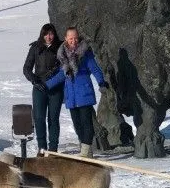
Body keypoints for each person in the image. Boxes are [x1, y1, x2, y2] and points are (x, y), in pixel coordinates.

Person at [45, 27, 108, 158]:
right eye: (71, 38)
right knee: (77, 124)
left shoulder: (85, 54)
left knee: (86, 123)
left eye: (75, 38)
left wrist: (101, 82)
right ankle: (85, 148)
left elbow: (95, 69)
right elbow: (62, 75)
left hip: (84, 91)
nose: (73, 40)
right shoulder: (63, 55)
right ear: (66, 38)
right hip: (71, 95)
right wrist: (46, 86)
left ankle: (86, 150)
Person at [23, 23, 64, 152]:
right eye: (46, 34)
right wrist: (34, 80)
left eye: (51, 34)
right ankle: (42, 148)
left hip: (55, 88)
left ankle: (53, 150)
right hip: (39, 88)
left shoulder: (61, 47)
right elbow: (27, 68)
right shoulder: (35, 48)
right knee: (39, 118)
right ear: (42, 34)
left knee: (53, 118)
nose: (48, 37)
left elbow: (65, 67)